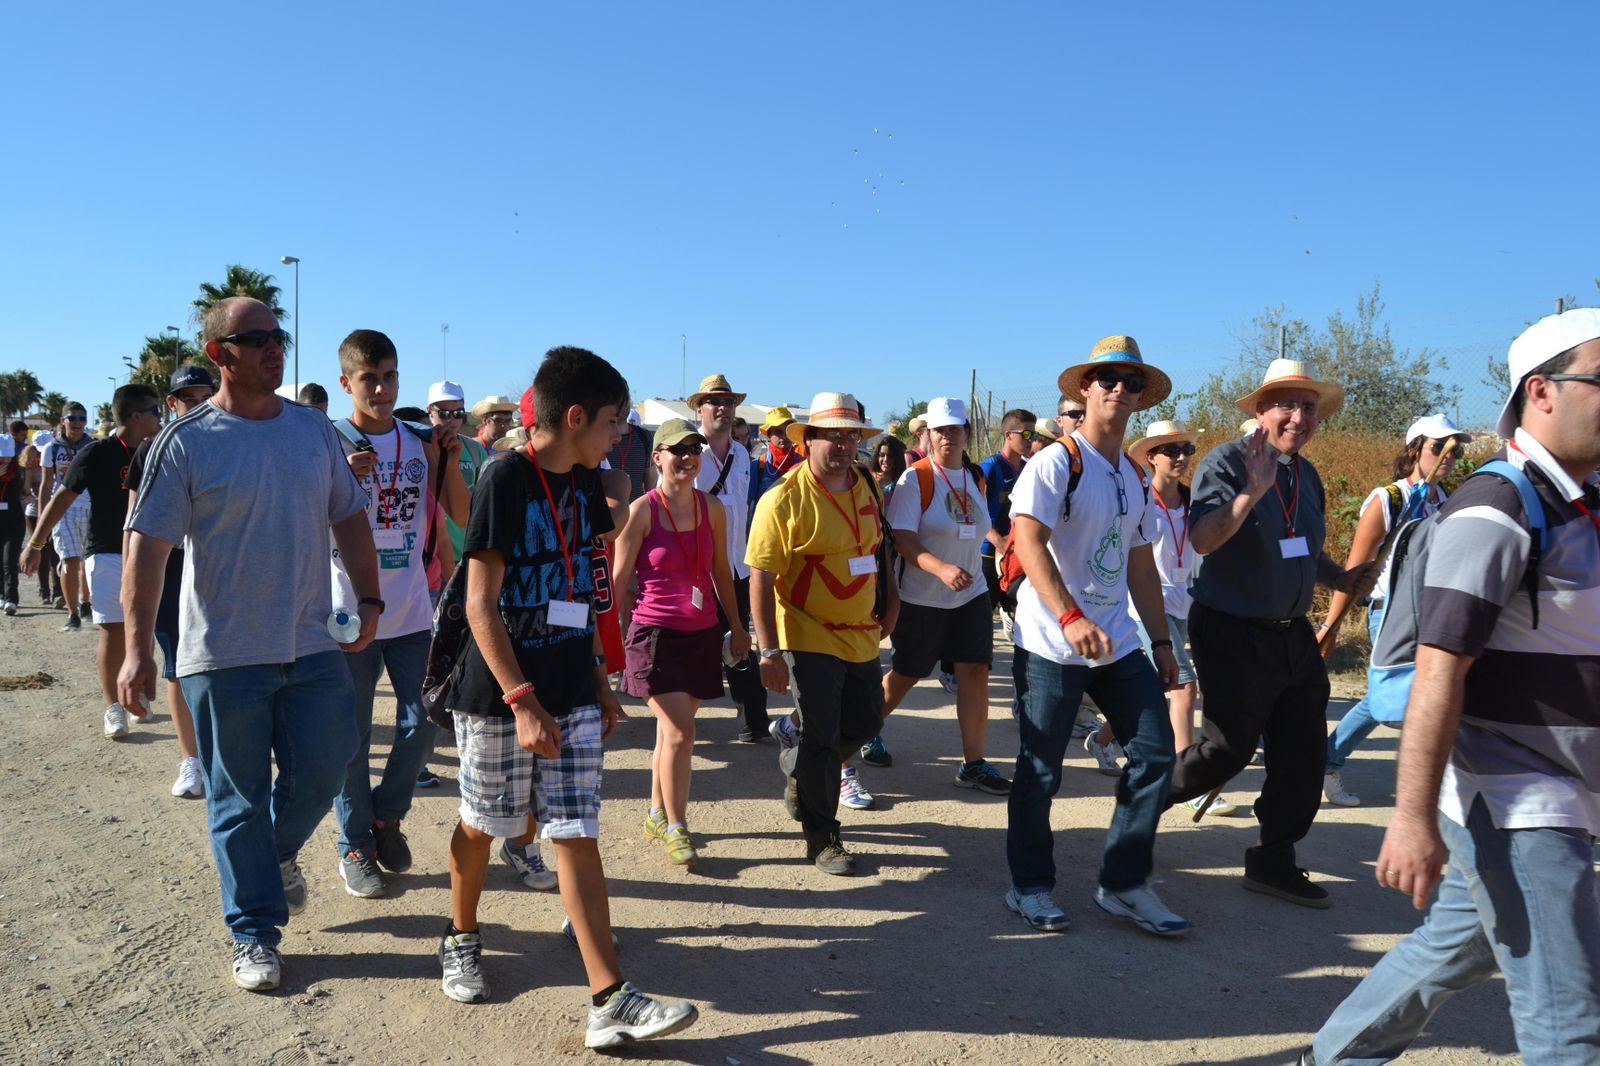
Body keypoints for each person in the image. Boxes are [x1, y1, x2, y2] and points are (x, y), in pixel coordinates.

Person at [1302, 308, 1600, 1065]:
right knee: (1571, 1023)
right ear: (1542, 392)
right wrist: (1410, 819)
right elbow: (1438, 670)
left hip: (1558, 788)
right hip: (1519, 798)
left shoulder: (1577, 506)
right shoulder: (1497, 510)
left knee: (1460, 946)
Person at [438, 346, 698, 1049]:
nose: (620, 434)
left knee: (576, 832)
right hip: (499, 692)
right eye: (613, 421)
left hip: (570, 684)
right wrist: (521, 699)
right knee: (483, 822)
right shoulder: (503, 480)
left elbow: (581, 593)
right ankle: (461, 934)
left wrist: (596, 678)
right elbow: (481, 605)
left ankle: (608, 998)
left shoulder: (586, 485)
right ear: (575, 415)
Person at [119, 296, 380, 992]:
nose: (274, 347)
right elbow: (146, 549)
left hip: (312, 639)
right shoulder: (187, 442)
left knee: (330, 762)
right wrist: (139, 647)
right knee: (235, 796)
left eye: (279, 335)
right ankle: (255, 933)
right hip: (222, 652)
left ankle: (271, 857)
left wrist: (370, 597)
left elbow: (350, 517)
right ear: (219, 354)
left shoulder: (313, 432)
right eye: (255, 337)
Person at [1163, 359, 1379, 909]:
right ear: (1260, 411)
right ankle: (1140, 799)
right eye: (1286, 403)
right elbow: (1205, 540)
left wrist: (1341, 578)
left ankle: (1273, 860)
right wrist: (1248, 494)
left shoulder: (1304, 475)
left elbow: (1302, 548)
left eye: (1308, 407)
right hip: (1231, 629)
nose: (1299, 416)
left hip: (1293, 635)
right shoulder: (1225, 463)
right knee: (1226, 750)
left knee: (1303, 752)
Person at [1002, 337, 1187, 937]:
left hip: (1118, 642)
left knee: (1156, 752)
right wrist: (1068, 617)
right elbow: (1027, 540)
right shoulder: (1057, 462)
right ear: (1085, 389)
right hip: (1051, 640)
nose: (1117, 388)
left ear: (1139, 396)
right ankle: (1029, 887)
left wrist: (1161, 643)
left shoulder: (1134, 476)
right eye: (1105, 377)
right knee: (1041, 771)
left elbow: (1140, 563)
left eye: (1129, 381)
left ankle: (1123, 883)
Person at [328, 331, 468, 899]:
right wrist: (344, 482)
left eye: (389, 377)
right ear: (347, 383)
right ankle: (354, 845)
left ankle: (386, 818)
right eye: (369, 379)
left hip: (412, 610)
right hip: (348, 614)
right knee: (351, 738)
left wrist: (449, 460)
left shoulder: (419, 443)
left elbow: (457, 512)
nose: (381, 388)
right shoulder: (329, 444)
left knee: (424, 722)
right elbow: (305, 521)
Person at [748, 391, 898, 876]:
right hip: (805, 631)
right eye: (832, 435)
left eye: (851, 435)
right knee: (821, 734)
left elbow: (878, 551)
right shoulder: (782, 499)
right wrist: (767, 650)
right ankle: (821, 837)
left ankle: (801, 769)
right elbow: (761, 578)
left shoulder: (865, 485)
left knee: (868, 720)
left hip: (860, 629)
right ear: (808, 439)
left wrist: (891, 604)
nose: (843, 444)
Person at [611, 418, 746, 865]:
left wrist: (739, 627)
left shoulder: (714, 509)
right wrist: (605, 643)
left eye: (695, 449)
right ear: (658, 457)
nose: (687, 457)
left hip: (702, 634)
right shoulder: (642, 510)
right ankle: (676, 824)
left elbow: (721, 574)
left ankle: (655, 811)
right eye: (678, 449)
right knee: (682, 733)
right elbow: (618, 581)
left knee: (670, 736)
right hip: (654, 636)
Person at [1319, 413, 1471, 809]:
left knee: (1425, 691)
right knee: (1389, 695)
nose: (1448, 456)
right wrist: (1330, 625)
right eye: (1440, 447)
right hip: (1389, 612)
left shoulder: (1447, 502)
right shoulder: (1389, 498)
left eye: (1455, 449)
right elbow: (1355, 568)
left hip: (1431, 611)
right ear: (1414, 450)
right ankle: (1326, 760)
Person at [879, 397, 1011, 794]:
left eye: (955, 428)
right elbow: (902, 539)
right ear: (928, 434)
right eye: (941, 430)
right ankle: (860, 733)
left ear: (967, 432)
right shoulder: (915, 478)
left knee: (975, 673)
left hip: (971, 595)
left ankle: (973, 763)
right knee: (906, 676)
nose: (948, 436)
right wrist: (940, 568)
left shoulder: (976, 477)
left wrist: (999, 548)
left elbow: (976, 524)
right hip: (922, 597)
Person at [24, 384, 165, 737]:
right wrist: (36, 543)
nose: (160, 417)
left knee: (143, 630)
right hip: (105, 551)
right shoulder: (96, 452)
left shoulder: (162, 450)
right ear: (135, 416)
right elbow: (61, 497)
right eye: (155, 411)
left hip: (150, 553)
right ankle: (113, 707)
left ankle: (136, 695)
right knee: (114, 631)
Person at [1121, 420, 1238, 815]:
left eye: (1186, 449)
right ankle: (1187, 780)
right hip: (1146, 604)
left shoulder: (1194, 501)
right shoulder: (1138, 499)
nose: (1182, 457)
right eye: (1172, 450)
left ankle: (1105, 739)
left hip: (1187, 602)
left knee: (1162, 686)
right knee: (1185, 688)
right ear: (1151, 457)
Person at [123, 365, 216, 797]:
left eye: (204, 397)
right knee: (179, 667)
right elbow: (134, 527)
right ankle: (191, 760)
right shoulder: (152, 450)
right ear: (172, 404)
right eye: (188, 400)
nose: (196, 407)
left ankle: (222, 755)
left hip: (219, 574)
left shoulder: (231, 443)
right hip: (170, 574)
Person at [690, 373, 769, 741]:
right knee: (694, 645)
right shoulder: (687, 451)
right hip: (698, 570)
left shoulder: (741, 455)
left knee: (740, 640)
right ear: (699, 409)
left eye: (728, 402)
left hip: (738, 566)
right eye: (715, 402)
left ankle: (754, 719)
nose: (722, 408)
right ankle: (681, 720)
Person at [979, 407, 1036, 636]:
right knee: (981, 615)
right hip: (988, 552)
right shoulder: (990, 468)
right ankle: (953, 670)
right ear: (1007, 435)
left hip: (1016, 551)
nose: (1031, 440)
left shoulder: (1028, 468)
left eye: (1034, 435)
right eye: (1025, 434)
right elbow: (973, 511)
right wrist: (997, 540)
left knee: (1019, 607)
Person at [39, 401, 92, 629]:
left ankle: (85, 602)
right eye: (73, 418)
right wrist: (44, 521)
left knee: (87, 560)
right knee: (70, 559)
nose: (78, 422)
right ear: (63, 421)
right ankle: (72, 614)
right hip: (64, 509)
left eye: (82, 418)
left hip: (90, 508)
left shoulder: (93, 447)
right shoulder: (52, 449)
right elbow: (46, 484)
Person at [22, 430, 61, 607]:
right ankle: (44, 591)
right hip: (34, 511)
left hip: (54, 510)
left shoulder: (56, 458)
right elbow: (26, 488)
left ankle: (59, 591)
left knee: (55, 552)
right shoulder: (30, 464)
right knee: (42, 550)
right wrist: (30, 473)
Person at [748, 406, 801, 516]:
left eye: (787, 431)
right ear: (768, 434)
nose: (784, 436)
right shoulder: (758, 465)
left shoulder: (802, 464)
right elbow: (748, 504)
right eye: (778, 432)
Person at [604, 407, 653, 502]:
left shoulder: (643, 436)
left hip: (638, 513)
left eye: (625, 400)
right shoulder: (598, 435)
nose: (622, 405)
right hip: (607, 512)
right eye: (618, 400)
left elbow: (650, 479)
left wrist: (651, 509)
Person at [0, 421, 22, 614]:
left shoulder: (17, 471)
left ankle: (11, 598)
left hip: (14, 520)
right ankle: (1, 594)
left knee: (9, 560)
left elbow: (24, 491)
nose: (4, 460)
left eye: (7, 456)